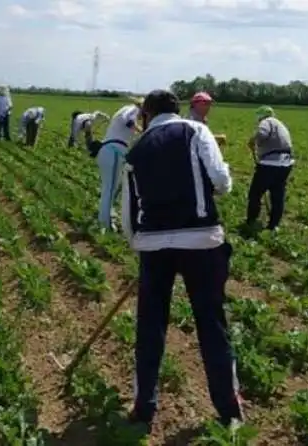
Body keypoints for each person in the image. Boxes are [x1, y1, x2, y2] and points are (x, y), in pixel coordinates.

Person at [120, 89, 245, 436]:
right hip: (202, 242)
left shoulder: (137, 150)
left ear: (147, 115)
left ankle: (144, 408)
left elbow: (128, 213)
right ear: (177, 110)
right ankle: (229, 413)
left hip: (154, 247)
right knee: (212, 326)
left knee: (150, 328)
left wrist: (142, 246)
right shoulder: (197, 131)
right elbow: (222, 184)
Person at [94, 97, 143, 230]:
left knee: (111, 188)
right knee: (110, 189)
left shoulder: (126, 110)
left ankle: (106, 216)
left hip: (110, 150)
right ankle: (105, 223)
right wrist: (143, 132)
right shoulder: (133, 109)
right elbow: (129, 121)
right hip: (114, 150)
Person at [244, 105, 294, 232]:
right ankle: (274, 225)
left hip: (269, 164)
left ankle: (251, 220)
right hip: (286, 164)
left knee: (255, 194)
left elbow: (262, 134)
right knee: (278, 194)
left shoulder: (266, 122)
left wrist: (253, 141)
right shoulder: (281, 124)